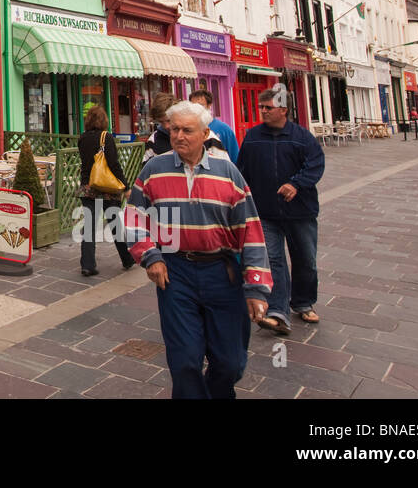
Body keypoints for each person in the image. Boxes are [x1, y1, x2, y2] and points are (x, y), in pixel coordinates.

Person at [123, 100, 272, 399]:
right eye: (174, 129)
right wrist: (150, 256)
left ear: (205, 134)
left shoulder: (227, 172)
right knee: (185, 361)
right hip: (176, 274)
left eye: (187, 130)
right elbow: (133, 217)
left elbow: (251, 229)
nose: (179, 136)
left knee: (230, 362)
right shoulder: (154, 168)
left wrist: (256, 287)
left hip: (223, 273)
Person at [235, 84, 326, 335]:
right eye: (260, 107)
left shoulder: (302, 137)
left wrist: (296, 184)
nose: (263, 111)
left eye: (268, 107)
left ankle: (303, 302)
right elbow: (242, 170)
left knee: (305, 260)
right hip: (265, 212)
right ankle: (277, 311)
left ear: (283, 110)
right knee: (273, 261)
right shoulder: (253, 137)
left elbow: (315, 165)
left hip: (300, 212)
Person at [75, 105, 135, 277]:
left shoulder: (82, 138)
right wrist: (125, 186)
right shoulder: (105, 137)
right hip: (107, 187)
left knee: (89, 226)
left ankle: (87, 265)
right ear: (104, 120)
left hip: (88, 186)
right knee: (115, 223)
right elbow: (114, 164)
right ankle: (127, 258)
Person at [190, 89, 239, 164]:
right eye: (193, 106)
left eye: (200, 105)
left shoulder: (224, 130)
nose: (196, 109)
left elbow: (235, 159)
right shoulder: (186, 130)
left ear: (209, 105)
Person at [142, 91, 177, 163]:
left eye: (169, 120)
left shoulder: (196, 135)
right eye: (161, 122)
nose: (166, 126)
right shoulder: (154, 140)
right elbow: (147, 169)